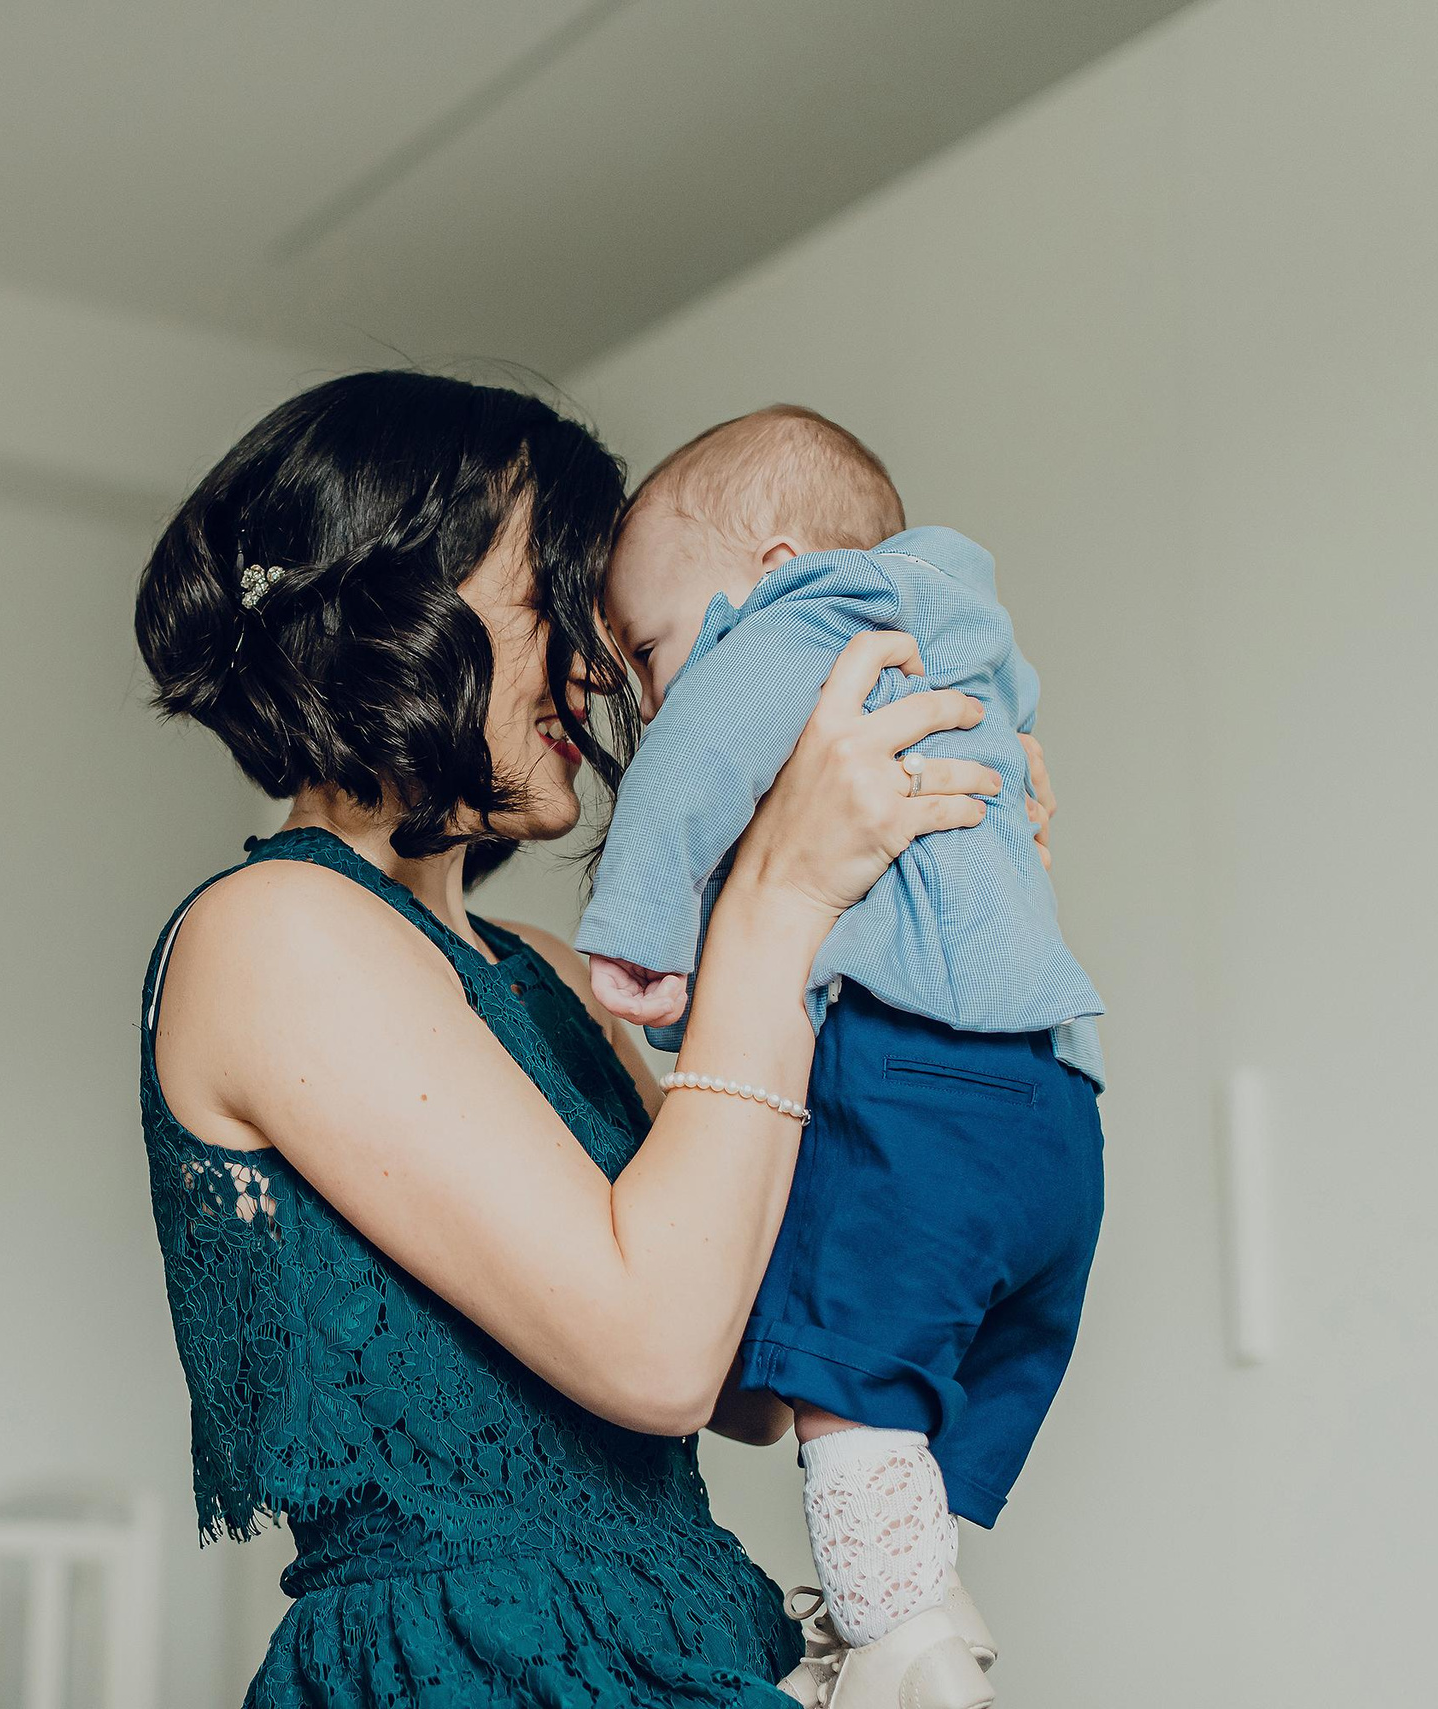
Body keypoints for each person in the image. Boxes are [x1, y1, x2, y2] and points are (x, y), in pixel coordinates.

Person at [132, 372, 1054, 1707]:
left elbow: (752, 1372)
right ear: (398, 606)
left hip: (684, 1638)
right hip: (467, 1668)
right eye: (553, 604)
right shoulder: (273, 929)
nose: (597, 667)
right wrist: (777, 898)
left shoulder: (556, 977)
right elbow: (655, 1354)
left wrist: (910, 922)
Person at [577, 407, 1105, 1704]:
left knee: (854, 1389)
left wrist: (644, 927)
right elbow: (1017, 795)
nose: (643, 695)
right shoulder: (969, 636)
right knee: (940, 1382)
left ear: (769, 565)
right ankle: (914, 1599)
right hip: (1058, 1095)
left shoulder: (814, 615)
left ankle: (901, 1645)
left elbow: (697, 754)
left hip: (921, 1078)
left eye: (648, 648)